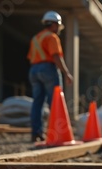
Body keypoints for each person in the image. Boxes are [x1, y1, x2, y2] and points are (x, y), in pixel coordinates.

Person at [28, 11, 74, 142]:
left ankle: (36, 133)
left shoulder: (36, 38)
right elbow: (56, 56)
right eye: (58, 26)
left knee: (37, 103)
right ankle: (57, 134)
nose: (59, 28)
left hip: (33, 69)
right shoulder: (52, 37)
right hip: (47, 68)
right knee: (55, 102)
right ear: (54, 24)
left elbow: (31, 57)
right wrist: (66, 73)